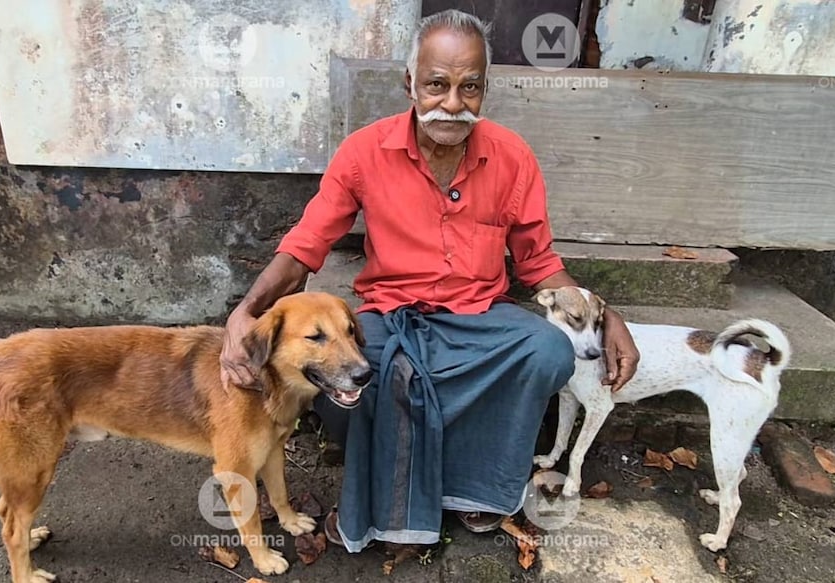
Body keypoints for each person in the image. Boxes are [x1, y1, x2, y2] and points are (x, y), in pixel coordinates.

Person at [220, 9, 639, 552]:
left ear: (485, 90)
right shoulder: (364, 152)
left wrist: (607, 319)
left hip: (478, 319)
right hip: (391, 315)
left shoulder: (513, 158)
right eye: (437, 85)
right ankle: (387, 503)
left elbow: (537, 261)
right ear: (410, 84)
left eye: (470, 88)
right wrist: (245, 311)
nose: (452, 104)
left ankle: (476, 492)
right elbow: (305, 247)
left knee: (548, 352)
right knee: (344, 371)